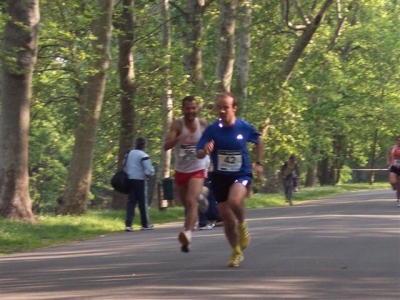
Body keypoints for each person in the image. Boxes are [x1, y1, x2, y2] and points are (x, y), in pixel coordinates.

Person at [196, 92, 263, 267]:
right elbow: (198, 152)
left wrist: (258, 162)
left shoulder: (244, 127)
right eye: (219, 107)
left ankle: (243, 226)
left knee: (235, 201)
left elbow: (259, 139)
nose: (222, 111)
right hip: (220, 176)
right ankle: (236, 251)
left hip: (241, 174)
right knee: (226, 220)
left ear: (234, 108)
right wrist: (205, 150)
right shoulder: (212, 130)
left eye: (226, 107)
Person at [164, 96, 208, 252]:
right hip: (181, 170)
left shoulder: (202, 124)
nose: (191, 111)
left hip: (198, 167)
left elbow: (211, 142)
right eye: (188, 108)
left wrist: (208, 150)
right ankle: (202, 196)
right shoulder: (177, 124)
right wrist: (178, 138)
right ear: (182, 109)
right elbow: (165, 146)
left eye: (194, 108)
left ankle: (188, 234)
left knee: (191, 201)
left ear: (197, 108)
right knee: (187, 205)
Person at [124, 137, 155, 232]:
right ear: (144, 145)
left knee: (131, 202)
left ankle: (128, 224)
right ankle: (145, 224)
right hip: (140, 180)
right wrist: (150, 175)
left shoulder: (129, 153)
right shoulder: (143, 155)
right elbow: (149, 169)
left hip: (130, 179)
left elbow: (124, 165)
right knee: (142, 202)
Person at [386, 135, 400, 207]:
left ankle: (398, 200)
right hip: (394, 167)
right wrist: (388, 161)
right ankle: (394, 186)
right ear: (396, 141)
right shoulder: (393, 147)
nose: (399, 142)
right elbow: (388, 154)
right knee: (392, 182)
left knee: (399, 186)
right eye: (398, 140)